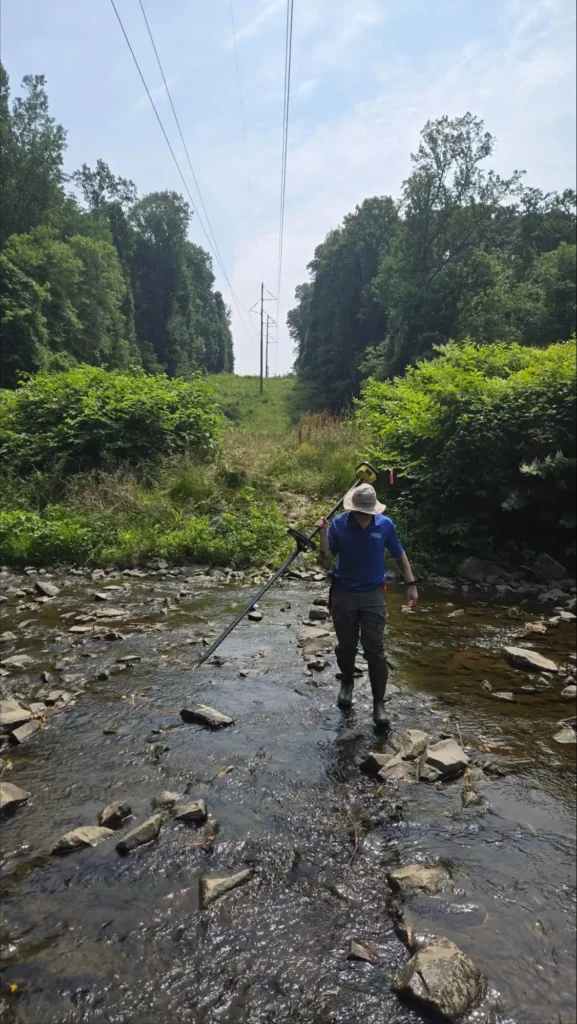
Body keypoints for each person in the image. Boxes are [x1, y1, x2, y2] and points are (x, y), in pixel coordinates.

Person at [316, 482, 418, 730]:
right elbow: (324, 562)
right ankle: (347, 682)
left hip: (373, 594)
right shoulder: (339, 524)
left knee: (375, 650)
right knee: (346, 646)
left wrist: (411, 583)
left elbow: (399, 555)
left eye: (366, 511)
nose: (362, 515)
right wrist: (322, 535)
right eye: (359, 510)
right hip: (343, 593)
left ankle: (378, 704)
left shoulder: (385, 525)